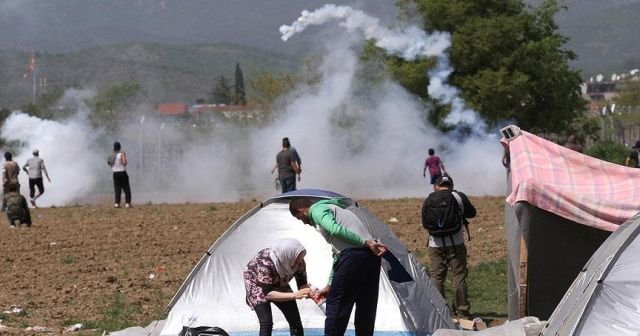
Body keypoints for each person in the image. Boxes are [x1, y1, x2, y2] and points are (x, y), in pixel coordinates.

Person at [289, 197, 387, 336]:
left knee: (336, 304)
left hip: (355, 255)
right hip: (371, 257)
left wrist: (366, 243)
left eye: (299, 218)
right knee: (366, 307)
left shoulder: (317, 210)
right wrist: (330, 284)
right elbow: (337, 253)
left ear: (300, 211)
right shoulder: (338, 210)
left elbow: (334, 229)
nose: (304, 223)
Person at [421, 175, 476, 320]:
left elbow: (425, 222)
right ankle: (462, 312)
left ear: (437, 186)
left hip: (435, 244)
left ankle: (439, 312)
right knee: (458, 276)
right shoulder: (458, 197)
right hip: (456, 243)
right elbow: (472, 213)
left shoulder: (429, 199)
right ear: (451, 185)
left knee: (437, 277)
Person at [243, 238, 313, 336]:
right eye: (296, 261)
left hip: (278, 281)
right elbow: (268, 294)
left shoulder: (299, 261)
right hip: (257, 283)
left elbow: (302, 284)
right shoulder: (266, 264)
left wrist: (310, 292)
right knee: (266, 323)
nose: (298, 264)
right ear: (287, 256)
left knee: (295, 321)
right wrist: (294, 295)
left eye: (300, 260)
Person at [108, 141, 132, 208]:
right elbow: (124, 163)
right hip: (122, 172)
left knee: (117, 188)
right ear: (120, 147)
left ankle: (117, 203)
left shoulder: (111, 155)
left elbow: (109, 163)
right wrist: (124, 156)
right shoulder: (121, 154)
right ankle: (127, 203)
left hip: (115, 173)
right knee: (126, 188)